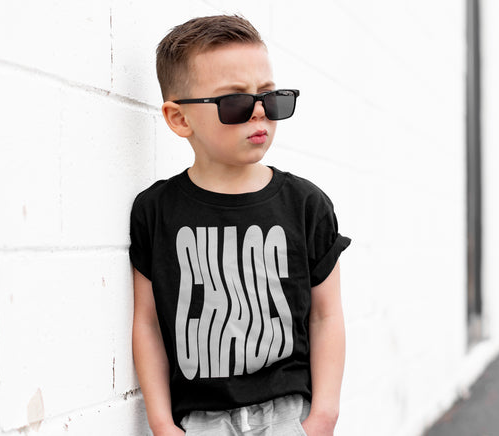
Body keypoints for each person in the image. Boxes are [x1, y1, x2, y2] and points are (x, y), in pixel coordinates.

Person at [129, 15, 351, 436]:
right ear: (180, 119)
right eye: (235, 102)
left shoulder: (306, 205)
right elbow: (148, 323)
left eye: (270, 96)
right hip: (200, 420)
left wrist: (323, 415)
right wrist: (161, 423)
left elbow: (327, 315)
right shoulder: (155, 212)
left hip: (288, 415)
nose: (260, 112)